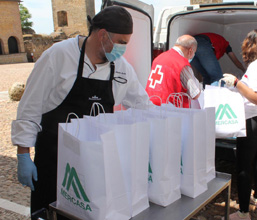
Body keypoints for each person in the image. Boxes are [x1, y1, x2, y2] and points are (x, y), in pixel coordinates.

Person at [11, 6, 152, 216]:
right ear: (103, 34)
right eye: (122, 42)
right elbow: (30, 107)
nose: (123, 49)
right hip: (54, 159)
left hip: (95, 161)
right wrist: (23, 154)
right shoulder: (58, 56)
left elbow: (143, 106)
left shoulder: (121, 68)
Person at [221, 29, 257, 220]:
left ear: (251, 44)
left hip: (255, 119)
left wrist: (236, 82)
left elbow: (256, 98)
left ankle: (243, 212)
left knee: (243, 166)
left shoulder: (256, 66)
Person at [145, 35, 201, 108]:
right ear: (190, 51)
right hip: (171, 111)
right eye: (194, 52)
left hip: (151, 105)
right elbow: (195, 94)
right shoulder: (182, 64)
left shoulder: (159, 58)